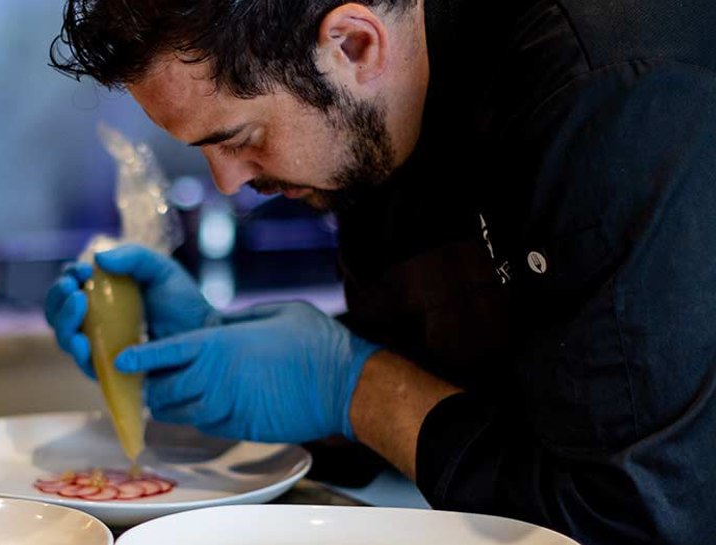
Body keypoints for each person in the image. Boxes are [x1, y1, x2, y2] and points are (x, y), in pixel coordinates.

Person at [43, 1, 716, 543]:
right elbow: (457, 383)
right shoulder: (371, 126)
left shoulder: (609, 94)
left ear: (355, 45)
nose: (227, 184)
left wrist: (351, 384)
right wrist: (234, 356)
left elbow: (631, 516)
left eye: (241, 138)